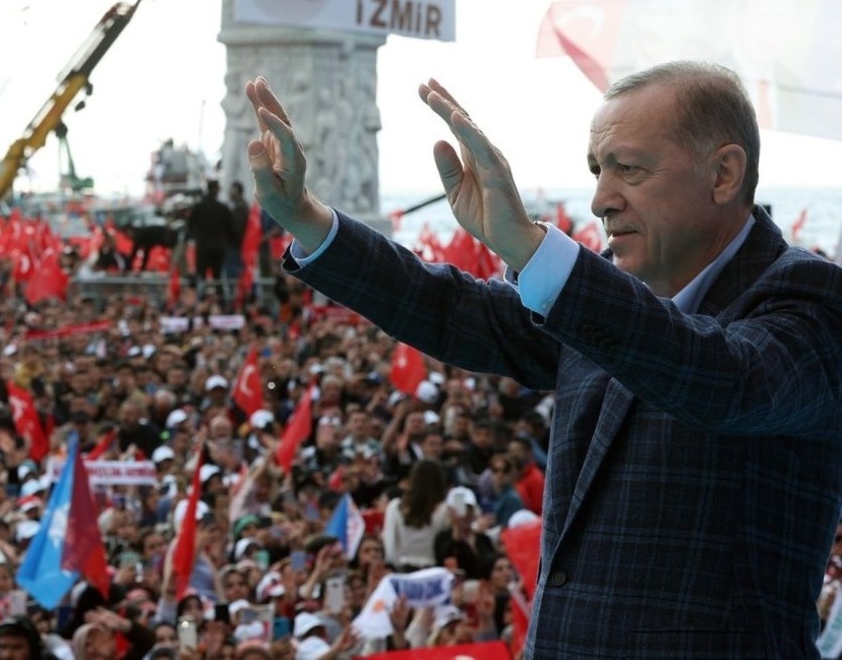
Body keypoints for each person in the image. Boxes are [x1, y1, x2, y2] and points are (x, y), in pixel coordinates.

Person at [244, 62, 842, 658]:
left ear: (724, 173)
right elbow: (452, 308)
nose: (601, 200)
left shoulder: (811, 299)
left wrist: (533, 250)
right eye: (598, 170)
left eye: (629, 169)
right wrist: (311, 221)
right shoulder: (597, 294)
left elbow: (723, 380)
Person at [381, 458, 449, 570]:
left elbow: (389, 545)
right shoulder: (445, 510)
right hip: (432, 569)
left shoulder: (395, 507)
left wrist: (393, 566)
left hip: (405, 568)